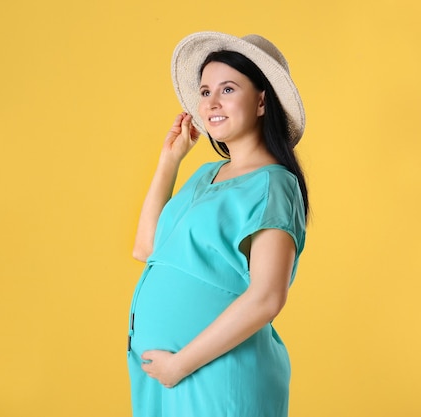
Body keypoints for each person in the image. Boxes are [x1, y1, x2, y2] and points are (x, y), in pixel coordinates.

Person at [127, 31, 309, 417]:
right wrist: (170, 160)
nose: (211, 103)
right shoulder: (206, 174)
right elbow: (146, 249)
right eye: (205, 91)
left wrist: (180, 364)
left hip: (218, 376)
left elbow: (267, 297)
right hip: (165, 377)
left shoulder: (274, 184)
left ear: (262, 101)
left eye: (228, 89)